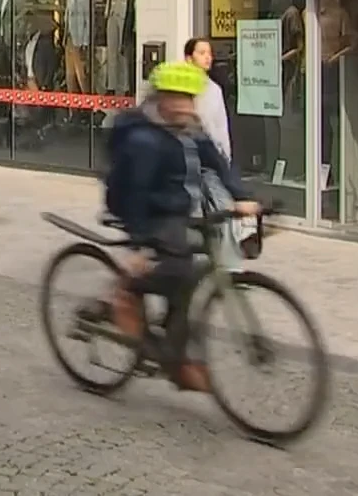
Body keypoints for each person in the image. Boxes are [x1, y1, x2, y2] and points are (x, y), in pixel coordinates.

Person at [102, 60, 261, 393]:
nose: (185, 106)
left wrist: (242, 197)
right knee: (178, 270)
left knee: (190, 276)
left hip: (179, 208)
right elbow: (135, 194)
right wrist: (139, 247)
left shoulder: (189, 129)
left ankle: (175, 358)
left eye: (189, 98)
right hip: (145, 210)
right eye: (176, 98)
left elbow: (218, 163)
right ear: (160, 98)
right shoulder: (144, 139)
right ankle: (128, 290)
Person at [134, 37, 232, 160]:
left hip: (207, 154)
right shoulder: (173, 81)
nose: (208, 57)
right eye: (202, 53)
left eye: (210, 54)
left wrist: (225, 155)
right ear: (189, 58)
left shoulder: (214, 89)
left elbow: (220, 126)